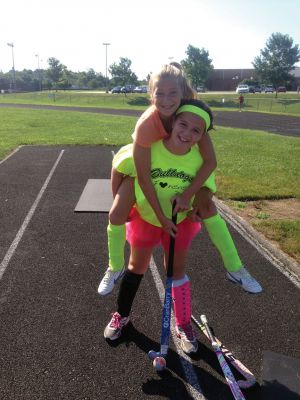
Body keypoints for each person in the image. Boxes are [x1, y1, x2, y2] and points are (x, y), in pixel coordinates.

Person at [98, 63, 262, 296]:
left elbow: (210, 162)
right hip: (142, 166)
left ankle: (235, 268)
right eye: (160, 94)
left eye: (172, 93)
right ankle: (114, 267)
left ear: (183, 93)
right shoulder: (146, 125)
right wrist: (154, 214)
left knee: (206, 206)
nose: (166, 100)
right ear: (151, 94)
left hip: (181, 167)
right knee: (116, 213)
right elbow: (141, 176)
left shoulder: (192, 115)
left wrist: (187, 195)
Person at [104, 99, 215, 354]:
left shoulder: (198, 155)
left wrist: (197, 201)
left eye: (195, 130)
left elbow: (207, 184)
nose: (186, 133)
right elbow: (125, 169)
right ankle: (122, 315)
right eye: (182, 125)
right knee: (136, 266)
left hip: (179, 219)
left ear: (201, 135)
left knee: (176, 270)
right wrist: (126, 206)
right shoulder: (148, 147)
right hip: (150, 218)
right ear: (172, 123)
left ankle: (184, 323)